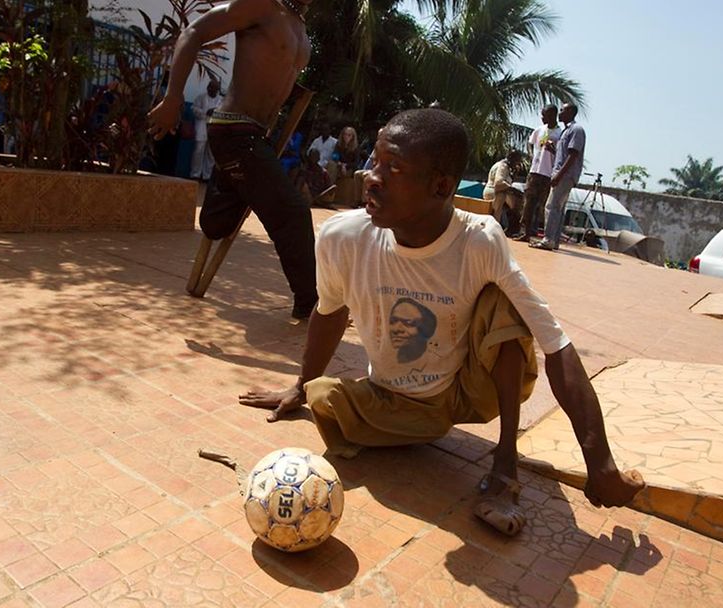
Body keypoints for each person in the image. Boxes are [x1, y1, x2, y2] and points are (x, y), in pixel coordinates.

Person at [240, 108, 644, 537]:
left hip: (467, 391)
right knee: (325, 397)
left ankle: (505, 468)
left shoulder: (479, 239)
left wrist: (600, 464)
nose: (372, 177)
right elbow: (330, 312)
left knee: (505, 301)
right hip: (396, 404)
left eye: (393, 168)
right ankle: (395, 424)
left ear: (442, 187)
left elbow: (555, 346)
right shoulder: (344, 237)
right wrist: (300, 385)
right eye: (375, 161)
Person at [147, 0, 318, 320]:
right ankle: (311, 302)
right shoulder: (262, 5)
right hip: (234, 130)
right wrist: (173, 98)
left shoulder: (301, 27)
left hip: (259, 134)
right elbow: (193, 32)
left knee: (219, 223)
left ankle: (222, 199)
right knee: (292, 212)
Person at [532, 103, 585, 251]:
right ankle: (553, 241)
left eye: (562, 110)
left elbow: (573, 154)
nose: (559, 113)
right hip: (563, 174)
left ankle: (548, 240)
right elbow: (564, 155)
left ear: (570, 112)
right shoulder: (567, 131)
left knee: (551, 206)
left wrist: (559, 175)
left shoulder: (576, 130)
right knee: (558, 208)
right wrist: (553, 150)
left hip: (564, 175)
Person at [517, 104, 562, 241]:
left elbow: (562, 154)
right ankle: (526, 232)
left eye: (545, 115)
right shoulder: (539, 130)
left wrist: (553, 149)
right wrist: (531, 155)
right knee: (528, 203)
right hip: (535, 171)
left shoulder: (560, 133)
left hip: (549, 174)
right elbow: (530, 143)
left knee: (544, 206)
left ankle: (545, 236)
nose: (542, 117)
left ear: (553, 115)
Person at [483, 150, 523, 235]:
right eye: (516, 161)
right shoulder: (503, 166)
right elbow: (498, 183)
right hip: (495, 193)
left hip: (490, 192)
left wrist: (514, 174)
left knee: (512, 201)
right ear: (511, 159)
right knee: (516, 204)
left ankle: (507, 228)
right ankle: (509, 229)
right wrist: (512, 189)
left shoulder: (502, 165)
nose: (517, 164)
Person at [190, 79, 222, 181]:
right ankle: (195, 174)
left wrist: (215, 113)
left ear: (217, 90)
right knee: (198, 151)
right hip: (202, 127)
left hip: (214, 128)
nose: (211, 89)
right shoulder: (201, 97)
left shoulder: (221, 100)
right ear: (208, 87)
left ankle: (207, 176)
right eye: (210, 87)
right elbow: (193, 109)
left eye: (214, 88)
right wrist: (205, 112)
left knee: (211, 153)